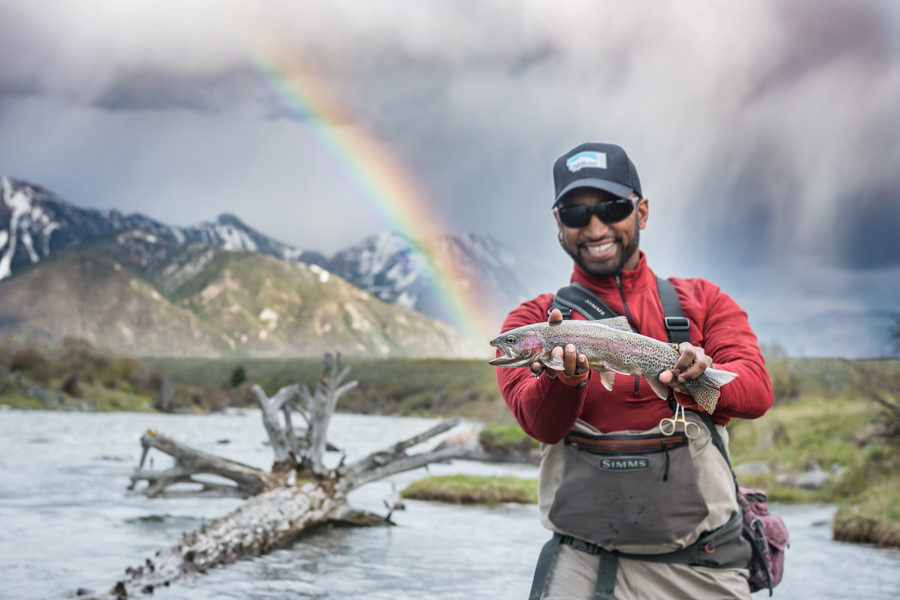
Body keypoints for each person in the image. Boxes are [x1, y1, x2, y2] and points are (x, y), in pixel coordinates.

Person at [494, 142, 773, 599]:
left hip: (701, 568)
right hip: (581, 566)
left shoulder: (703, 301)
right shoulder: (532, 320)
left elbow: (757, 391)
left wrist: (697, 378)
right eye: (576, 214)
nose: (595, 226)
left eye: (611, 207)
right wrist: (565, 381)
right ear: (558, 225)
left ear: (641, 211)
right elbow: (538, 423)